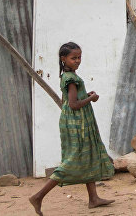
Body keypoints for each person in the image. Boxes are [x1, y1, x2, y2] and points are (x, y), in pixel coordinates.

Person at [29, 42, 114, 215]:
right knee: (73, 160)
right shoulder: (70, 78)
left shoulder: (69, 75)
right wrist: (91, 99)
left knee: (87, 155)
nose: (77, 61)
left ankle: (94, 199)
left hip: (77, 121)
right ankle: (38, 196)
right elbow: (74, 104)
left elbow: (72, 100)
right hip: (77, 123)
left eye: (79, 57)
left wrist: (87, 94)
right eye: (73, 58)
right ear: (63, 59)